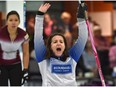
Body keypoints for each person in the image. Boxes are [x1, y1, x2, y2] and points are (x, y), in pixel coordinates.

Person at [34, 3, 88, 86]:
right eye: (55, 42)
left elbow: (83, 38)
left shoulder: (71, 57)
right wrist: (39, 16)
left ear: (65, 46)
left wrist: (81, 19)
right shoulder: (43, 57)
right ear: (50, 46)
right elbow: (37, 37)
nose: (58, 43)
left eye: (61, 42)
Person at [0, 11, 29, 86]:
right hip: (1, 65)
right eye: (11, 20)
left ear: (19, 22)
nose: (13, 22)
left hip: (16, 65)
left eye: (16, 20)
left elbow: (26, 53)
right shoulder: (0, 33)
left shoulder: (24, 35)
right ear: (7, 22)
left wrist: (25, 69)